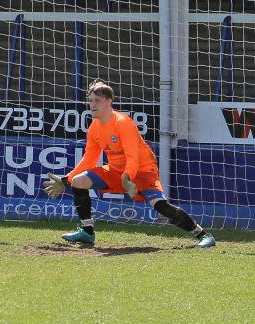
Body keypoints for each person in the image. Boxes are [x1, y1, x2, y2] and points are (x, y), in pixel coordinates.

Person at [44, 80, 216, 250]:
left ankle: (203, 235)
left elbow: (132, 157)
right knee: (78, 182)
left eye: (97, 100)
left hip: (142, 170)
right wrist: (67, 179)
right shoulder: (94, 128)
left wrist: (128, 177)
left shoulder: (122, 123)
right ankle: (87, 232)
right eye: (90, 100)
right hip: (117, 171)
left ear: (109, 101)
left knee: (159, 205)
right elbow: (89, 159)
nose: (92, 104)